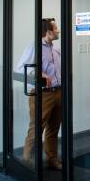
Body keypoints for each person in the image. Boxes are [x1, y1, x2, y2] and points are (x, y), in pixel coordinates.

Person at [16, 18, 62, 170]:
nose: (58, 30)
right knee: (36, 130)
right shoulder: (34, 47)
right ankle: (27, 163)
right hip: (42, 95)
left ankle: (52, 160)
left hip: (58, 92)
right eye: (56, 28)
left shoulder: (56, 49)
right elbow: (20, 69)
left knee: (53, 129)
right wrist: (39, 73)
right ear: (48, 31)